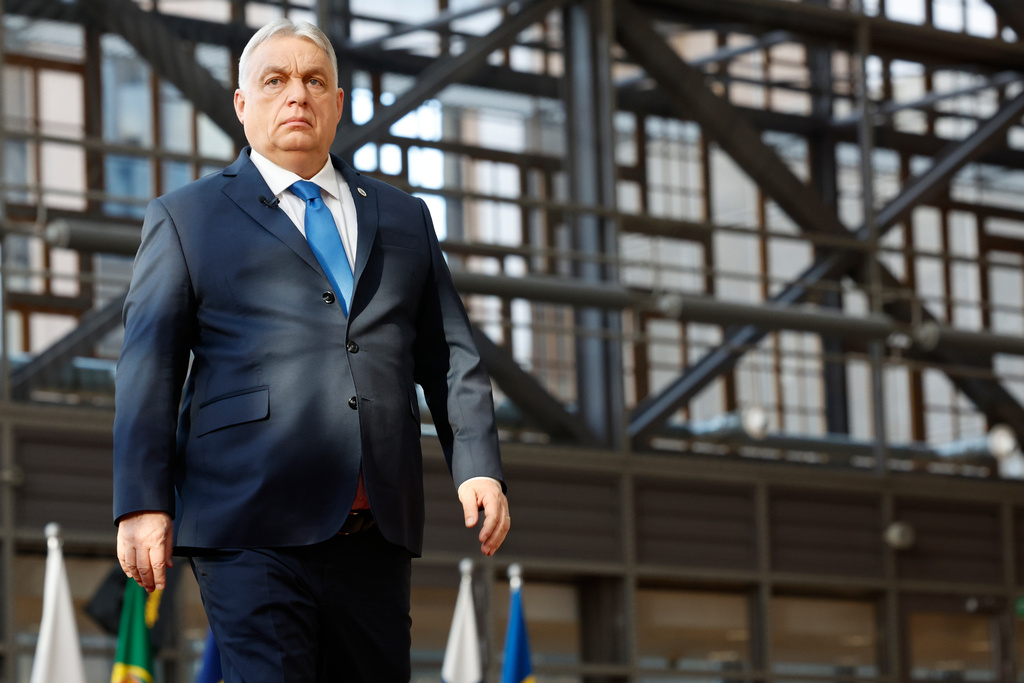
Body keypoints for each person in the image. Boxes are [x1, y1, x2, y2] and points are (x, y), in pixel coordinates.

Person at [112, 18, 510, 682]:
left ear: (338, 104)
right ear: (242, 105)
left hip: (375, 532)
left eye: (313, 80)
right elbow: (147, 366)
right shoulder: (187, 217)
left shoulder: (404, 216)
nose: (296, 93)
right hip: (249, 524)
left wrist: (478, 463)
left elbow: (450, 351)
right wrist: (142, 500)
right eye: (275, 80)